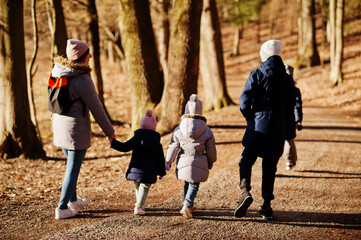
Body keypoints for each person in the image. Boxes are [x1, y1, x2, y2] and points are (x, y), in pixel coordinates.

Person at [52, 39, 115, 219]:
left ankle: (73, 200)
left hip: (59, 126)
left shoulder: (59, 72)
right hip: (74, 130)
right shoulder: (81, 78)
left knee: (72, 166)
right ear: (81, 56)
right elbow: (96, 108)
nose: (91, 56)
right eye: (88, 52)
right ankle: (62, 207)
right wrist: (110, 132)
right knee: (72, 168)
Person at [234, 39, 295, 220]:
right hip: (278, 129)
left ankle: (245, 191)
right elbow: (291, 107)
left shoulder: (256, 74)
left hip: (257, 126)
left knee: (246, 159)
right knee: (270, 167)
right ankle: (266, 206)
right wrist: (289, 132)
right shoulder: (287, 79)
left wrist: (250, 117)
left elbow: (244, 99)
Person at [165, 94, 217, 219]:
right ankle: (187, 205)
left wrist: (168, 160)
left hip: (184, 159)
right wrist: (211, 160)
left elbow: (174, 146)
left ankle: (190, 204)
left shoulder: (179, 129)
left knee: (188, 183)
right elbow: (211, 148)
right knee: (194, 184)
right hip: (199, 159)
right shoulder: (207, 130)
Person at [110, 109, 166, 216]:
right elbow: (160, 159)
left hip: (136, 169)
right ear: (154, 127)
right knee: (144, 187)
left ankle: (140, 203)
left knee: (138, 186)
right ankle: (138, 206)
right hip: (149, 171)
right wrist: (161, 172)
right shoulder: (157, 143)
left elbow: (124, 147)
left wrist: (113, 142)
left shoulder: (136, 139)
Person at [284, 64, 303, 170]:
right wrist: (299, 120)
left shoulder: (277, 89)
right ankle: (290, 161)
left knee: (286, 140)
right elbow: (298, 106)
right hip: (290, 119)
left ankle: (290, 160)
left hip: (280, 118)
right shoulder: (295, 90)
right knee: (289, 140)